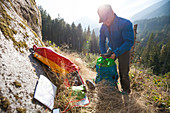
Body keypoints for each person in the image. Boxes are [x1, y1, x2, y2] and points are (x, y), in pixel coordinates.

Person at [97, 4, 134, 95]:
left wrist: (116, 53)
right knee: (105, 66)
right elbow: (101, 41)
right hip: (111, 48)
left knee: (123, 72)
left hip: (123, 50)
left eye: (107, 19)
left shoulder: (125, 23)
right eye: (103, 20)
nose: (105, 22)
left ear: (112, 13)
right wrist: (103, 53)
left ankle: (126, 90)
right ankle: (111, 85)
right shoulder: (103, 26)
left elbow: (129, 42)